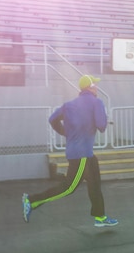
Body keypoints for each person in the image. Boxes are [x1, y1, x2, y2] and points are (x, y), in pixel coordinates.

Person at [22, 75, 118, 227]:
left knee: (95, 183)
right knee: (69, 188)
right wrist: (103, 119)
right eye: (95, 85)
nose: (97, 88)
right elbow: (101, 125)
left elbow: (52, 119)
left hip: (83, 154)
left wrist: (65, 132)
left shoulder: (69, 105)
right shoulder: (97, 102)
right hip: (82, 156)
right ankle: (32, 201)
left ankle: (100, 216)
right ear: (89, 87)